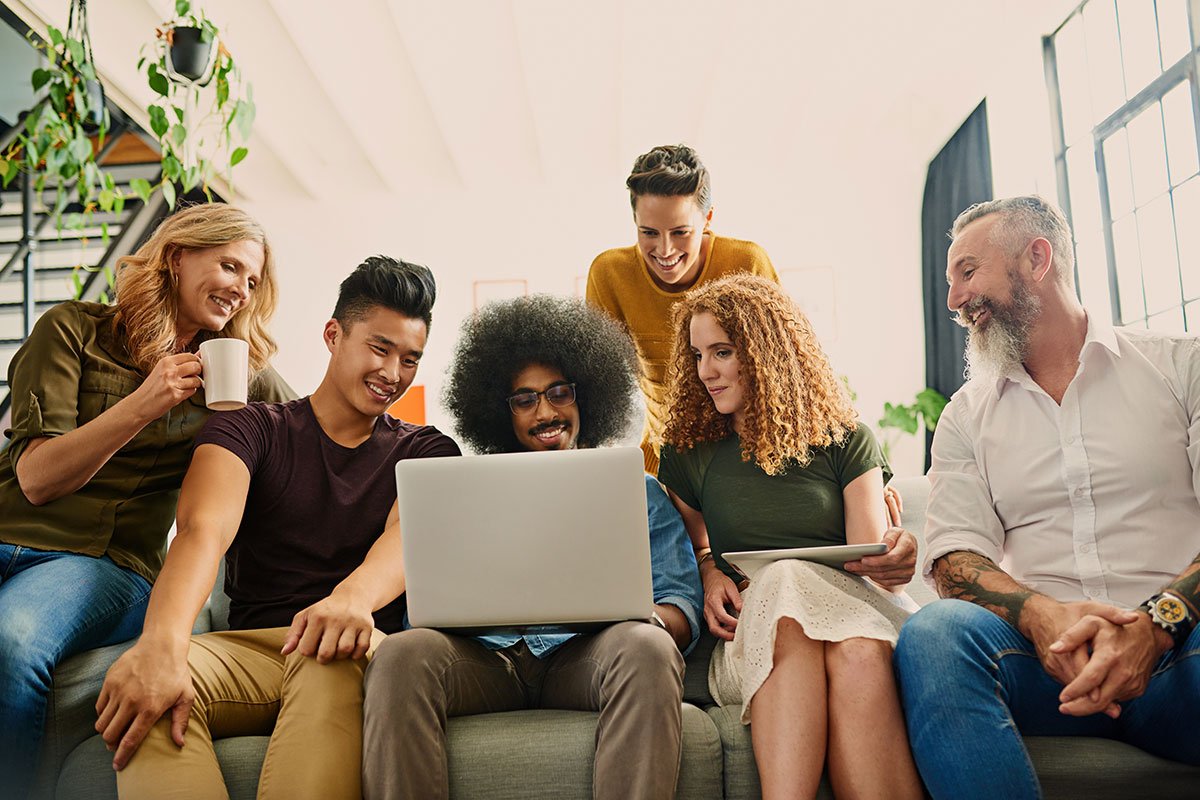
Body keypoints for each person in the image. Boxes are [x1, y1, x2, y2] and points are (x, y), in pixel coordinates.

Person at [94, 256, 460, 799]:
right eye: (379, 348)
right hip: (250, 648)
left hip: (354, 647)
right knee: (142, 683)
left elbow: (408, 537)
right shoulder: (249, 428)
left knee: (329, 652)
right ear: (333, 335)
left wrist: (350, 600)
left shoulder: (426, 449)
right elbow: (202, 531)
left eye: (410, 359)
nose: (393, 373)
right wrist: (162, 643)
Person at [894, 196, 1200, 799]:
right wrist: (1043, 617)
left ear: (1037, 259)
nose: (954, 300)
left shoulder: (1182, 366)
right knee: (934, 633)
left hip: (1183, 653)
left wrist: (1156, 626)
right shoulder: (964, 417)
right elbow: (955, 561)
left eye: (968, 272)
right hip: (1045, 665)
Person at [0, 203, 293, 799]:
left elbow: (317, 427)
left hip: (105, 564)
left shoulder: (237, 371)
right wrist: (146, 401)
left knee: (12, 640)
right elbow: (36, 478)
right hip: (11, 530)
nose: (241, 290)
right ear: (178, 257)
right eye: (231, 267)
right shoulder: (72, 329)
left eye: (253, 281)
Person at [362, 295, 704, 800]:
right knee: (400, 653)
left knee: (649, 646)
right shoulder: (464, 492)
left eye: (559, 393)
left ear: (586, 395)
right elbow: (424, 611)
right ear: (502, 413)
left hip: (585, 659)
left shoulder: (637, 489)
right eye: (524, 400)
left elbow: (680, 603)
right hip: (482, 662)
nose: (545, 412)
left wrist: (648, 619)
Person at [657, 273, 923, 800]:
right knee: (781, 591)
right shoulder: (691, 452)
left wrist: (897, 552)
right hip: (756, 635)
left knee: (858, 653)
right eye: (697, 355)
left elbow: (869, 567)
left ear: (764, 353)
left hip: (855, 621)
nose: (705, 371)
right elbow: (689, 548)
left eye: (723, 352)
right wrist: (710, 571)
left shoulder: (847, 441)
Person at [586, 143, 779, 473]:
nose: (664, 249)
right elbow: (595, 385)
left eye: (680, 232)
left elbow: (792, 369)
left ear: (708, 219)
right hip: (662, 458)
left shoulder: (746, 262)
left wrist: (858, 471)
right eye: (648, 232)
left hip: (747, 454)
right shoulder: (609, 274)